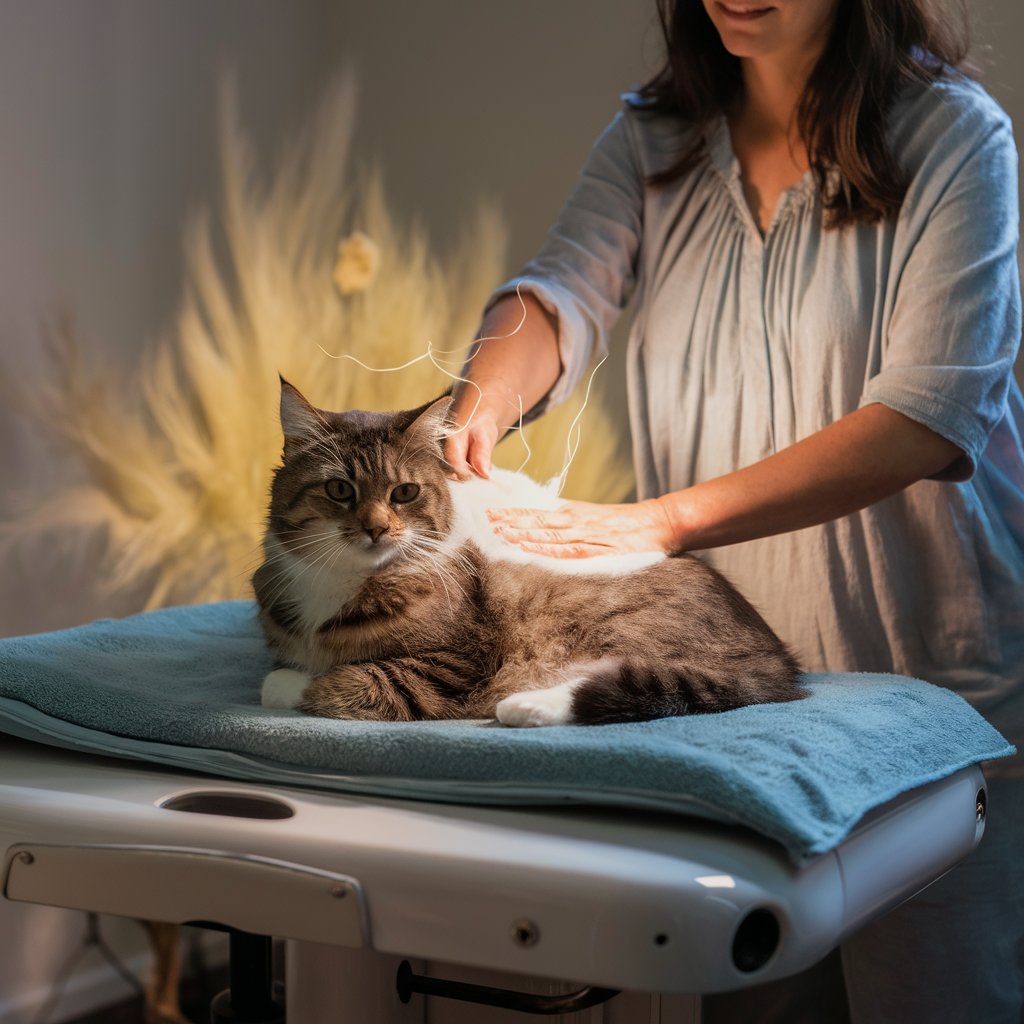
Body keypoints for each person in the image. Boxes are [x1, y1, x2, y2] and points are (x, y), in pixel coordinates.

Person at [444, 0, 1024, 1021]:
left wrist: (661, 523)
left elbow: (924, 419)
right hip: (737, 711)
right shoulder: (652, 140)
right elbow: (557, 293)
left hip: (936, 703)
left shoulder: (952, 138)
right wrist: (480, 400)